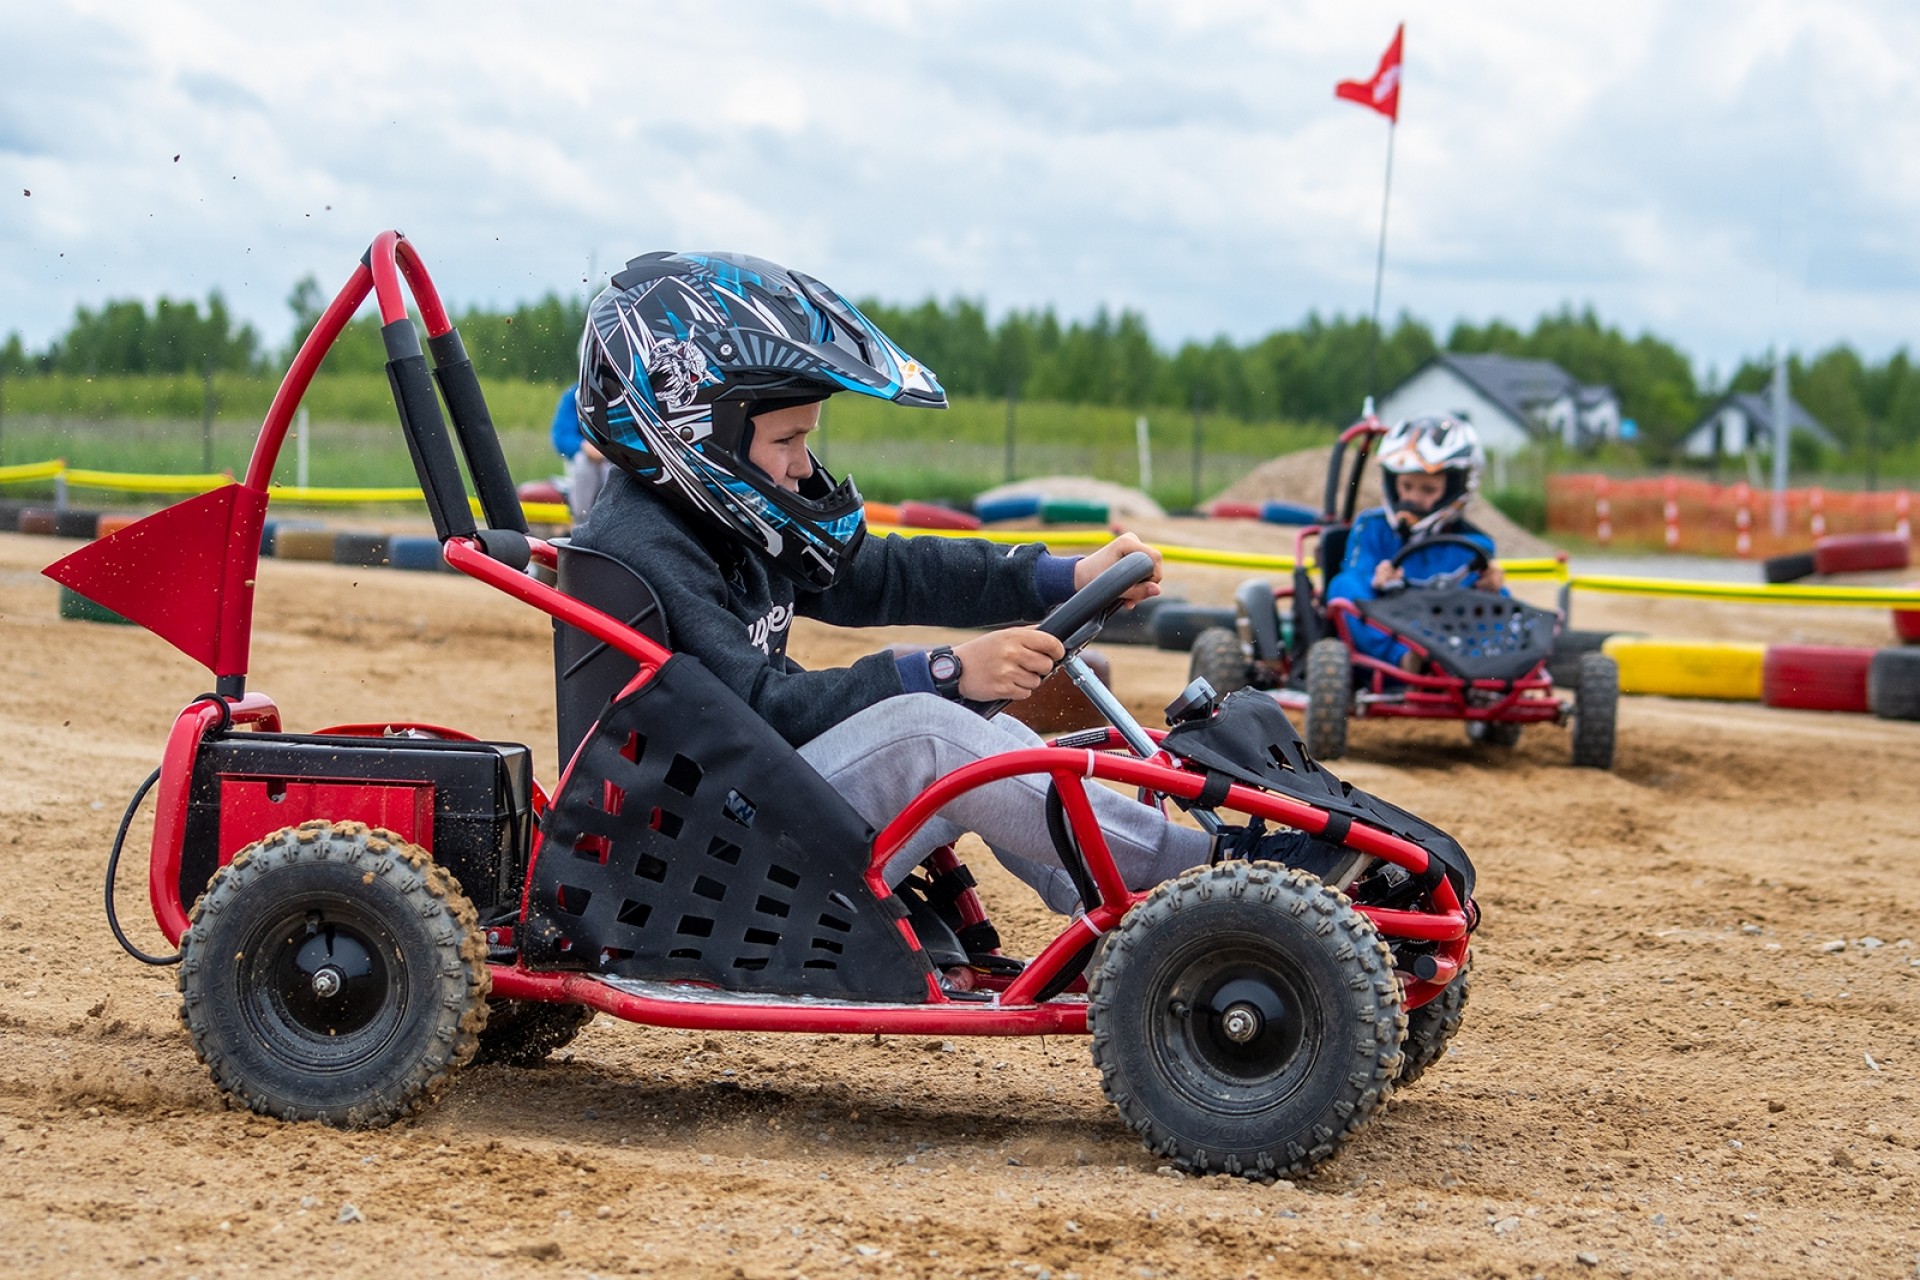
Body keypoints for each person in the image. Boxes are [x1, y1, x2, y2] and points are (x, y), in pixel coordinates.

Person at [570, 251, 1321, 914]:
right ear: (692, 430)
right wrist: (942, 672)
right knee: (932, 730)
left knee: (985, 729)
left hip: (749, 810)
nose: (803, 465)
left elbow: (883, 572)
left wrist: (1065, 576)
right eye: (788, 439)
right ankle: (1216, 879)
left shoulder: (721, 518)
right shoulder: (645, 546)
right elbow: (757, 711)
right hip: (696, 859)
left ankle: (1129, 905)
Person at [1325, 414, 1505, 670]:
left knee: (1504, 596)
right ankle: (1406, 660)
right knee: (1343, 586)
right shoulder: (1371, 527)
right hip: (1387, 640)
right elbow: (1357, 573)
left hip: (1451, 637)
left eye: (1428, 490)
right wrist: (1376, 580)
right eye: (1406, 486)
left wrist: (1492, 588)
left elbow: (1476, 604)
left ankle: (1498, 669)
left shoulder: (1475, 543)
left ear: (1455, 488)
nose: (1412, 498)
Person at [549, 382, 611, 521]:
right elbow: (561, 437)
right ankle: (582, 521)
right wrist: (584, 445)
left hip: (613, 461)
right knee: (584, 463)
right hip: (584, 465)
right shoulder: (574, 396)